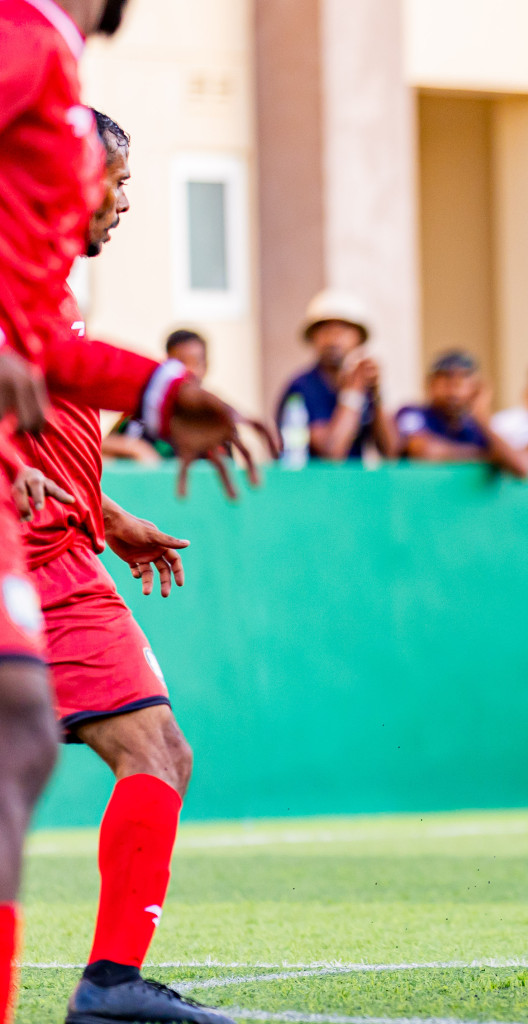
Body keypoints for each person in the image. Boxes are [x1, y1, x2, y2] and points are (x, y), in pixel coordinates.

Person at [0, 9, 268, 1023]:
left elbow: (44, 379)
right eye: (110, 177)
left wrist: (116, 494)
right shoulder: (31, 40)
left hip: (62, 545)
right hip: (32, 553)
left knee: (139, 750)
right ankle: (109, 986)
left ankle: (111, 983)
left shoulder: (44, 280)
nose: (116, 198)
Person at [276, 291, 398, 462]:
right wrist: (352, 394)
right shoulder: (301, 387)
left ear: (359, 339)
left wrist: (377, 395)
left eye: (343, 331)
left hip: (353, 486)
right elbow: (331, 451)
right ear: (313, 338)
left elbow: (392, 452)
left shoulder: (364, 386)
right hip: (312, 486)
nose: (333, 339)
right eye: (325, 331)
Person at [396, 352, 528, 477]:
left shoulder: (475, 426)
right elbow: (423, 450)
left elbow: (523, 467)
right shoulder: (413, 412)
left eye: (462, 379)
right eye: (446, 379)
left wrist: (480, 415)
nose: (453, 387)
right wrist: (486, 455)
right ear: (430, 384)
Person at [103, 331, 209, 464]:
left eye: (197, 363)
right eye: (181, 362)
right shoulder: (142, 413)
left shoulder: (215, 422)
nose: (190, 370)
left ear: (206, 366)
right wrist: (135, 448)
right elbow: (101, 447)